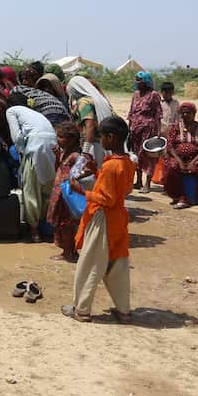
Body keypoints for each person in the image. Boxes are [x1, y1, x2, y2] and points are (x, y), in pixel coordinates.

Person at [61, 116, 135, 323]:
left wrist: (81, 191)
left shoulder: (112, 166)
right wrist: (96, 171)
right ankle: (123, 310)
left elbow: (106, 198)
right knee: (117, 264)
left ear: (110, 138)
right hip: (118, 219)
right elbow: (122, 188)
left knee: (90, 263)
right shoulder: (127, 162)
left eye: (101, 137)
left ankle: (81, 309)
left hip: (103, 218)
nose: (99, 140)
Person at [6, 93, 57, 242]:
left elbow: (16, 137)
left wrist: (20, 152)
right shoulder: (34, 113)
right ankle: (46, 226)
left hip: (35, 147)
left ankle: (34, 232)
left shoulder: (12, 111)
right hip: (53, 145)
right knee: (47, 188)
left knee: (31, 190)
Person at [46, 122, 96, 263]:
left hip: (67, 195)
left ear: (72, 139)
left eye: (61, 137)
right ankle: (67, 251)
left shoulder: (74, 155)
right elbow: (59, 169)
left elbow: (89, 168)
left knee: (67, 224)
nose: (58, 140)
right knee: (61, 223)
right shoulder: (64, 154)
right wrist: (57, 157)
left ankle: (70, 253)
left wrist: (73, 178)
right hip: (60, 193)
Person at [162, 102, 198, 209]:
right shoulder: (175, 127)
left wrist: (192, 162)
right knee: (172, 168)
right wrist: (179, 161)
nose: (185, 115)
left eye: (188, 113)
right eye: (182, 113)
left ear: (194, 113)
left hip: (195, 158)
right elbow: (170, 146)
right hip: (177, 158)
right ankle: (180, 197)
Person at [66, 76, 115, 167]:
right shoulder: (98, 98)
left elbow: (90, 125)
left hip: (94, 146)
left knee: (94, 173)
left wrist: (85, 151)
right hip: (104, 142)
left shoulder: (83, 102)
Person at [127, 71, 163, 192]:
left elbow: (158, 114)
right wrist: (129, 128)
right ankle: (138, 181)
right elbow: (131, 112)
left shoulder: (154, 95)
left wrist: (158, 131)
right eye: (136, 79)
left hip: (149, 129)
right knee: (136, 155)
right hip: (135, 130)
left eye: (139, 79)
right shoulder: (135, 94)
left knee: (148, 156)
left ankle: (147, 183)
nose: (137, 82)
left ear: (146, 81)